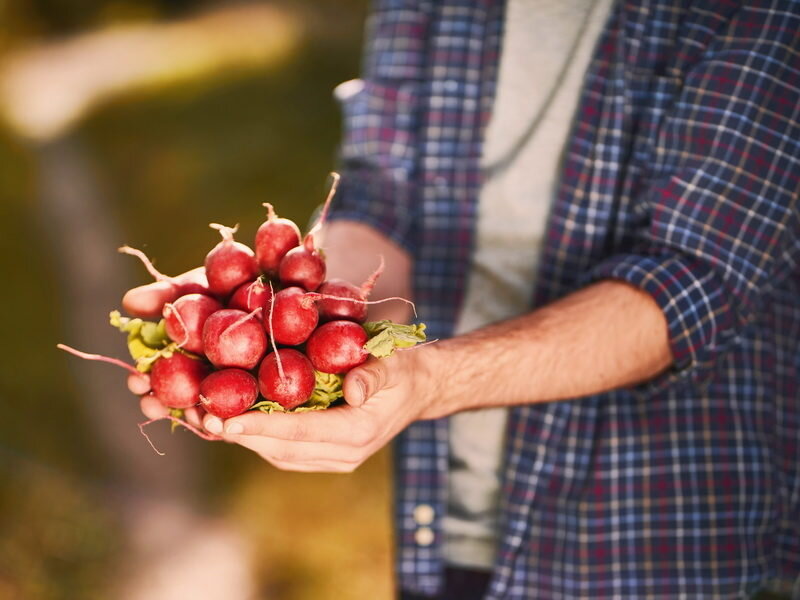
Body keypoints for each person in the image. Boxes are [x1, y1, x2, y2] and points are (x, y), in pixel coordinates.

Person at [125, 0, 800, 598]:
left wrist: (427, 380)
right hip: (441, 521)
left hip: (655, 539)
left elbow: (694, 280)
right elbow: (380, 186)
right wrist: (340, 316)